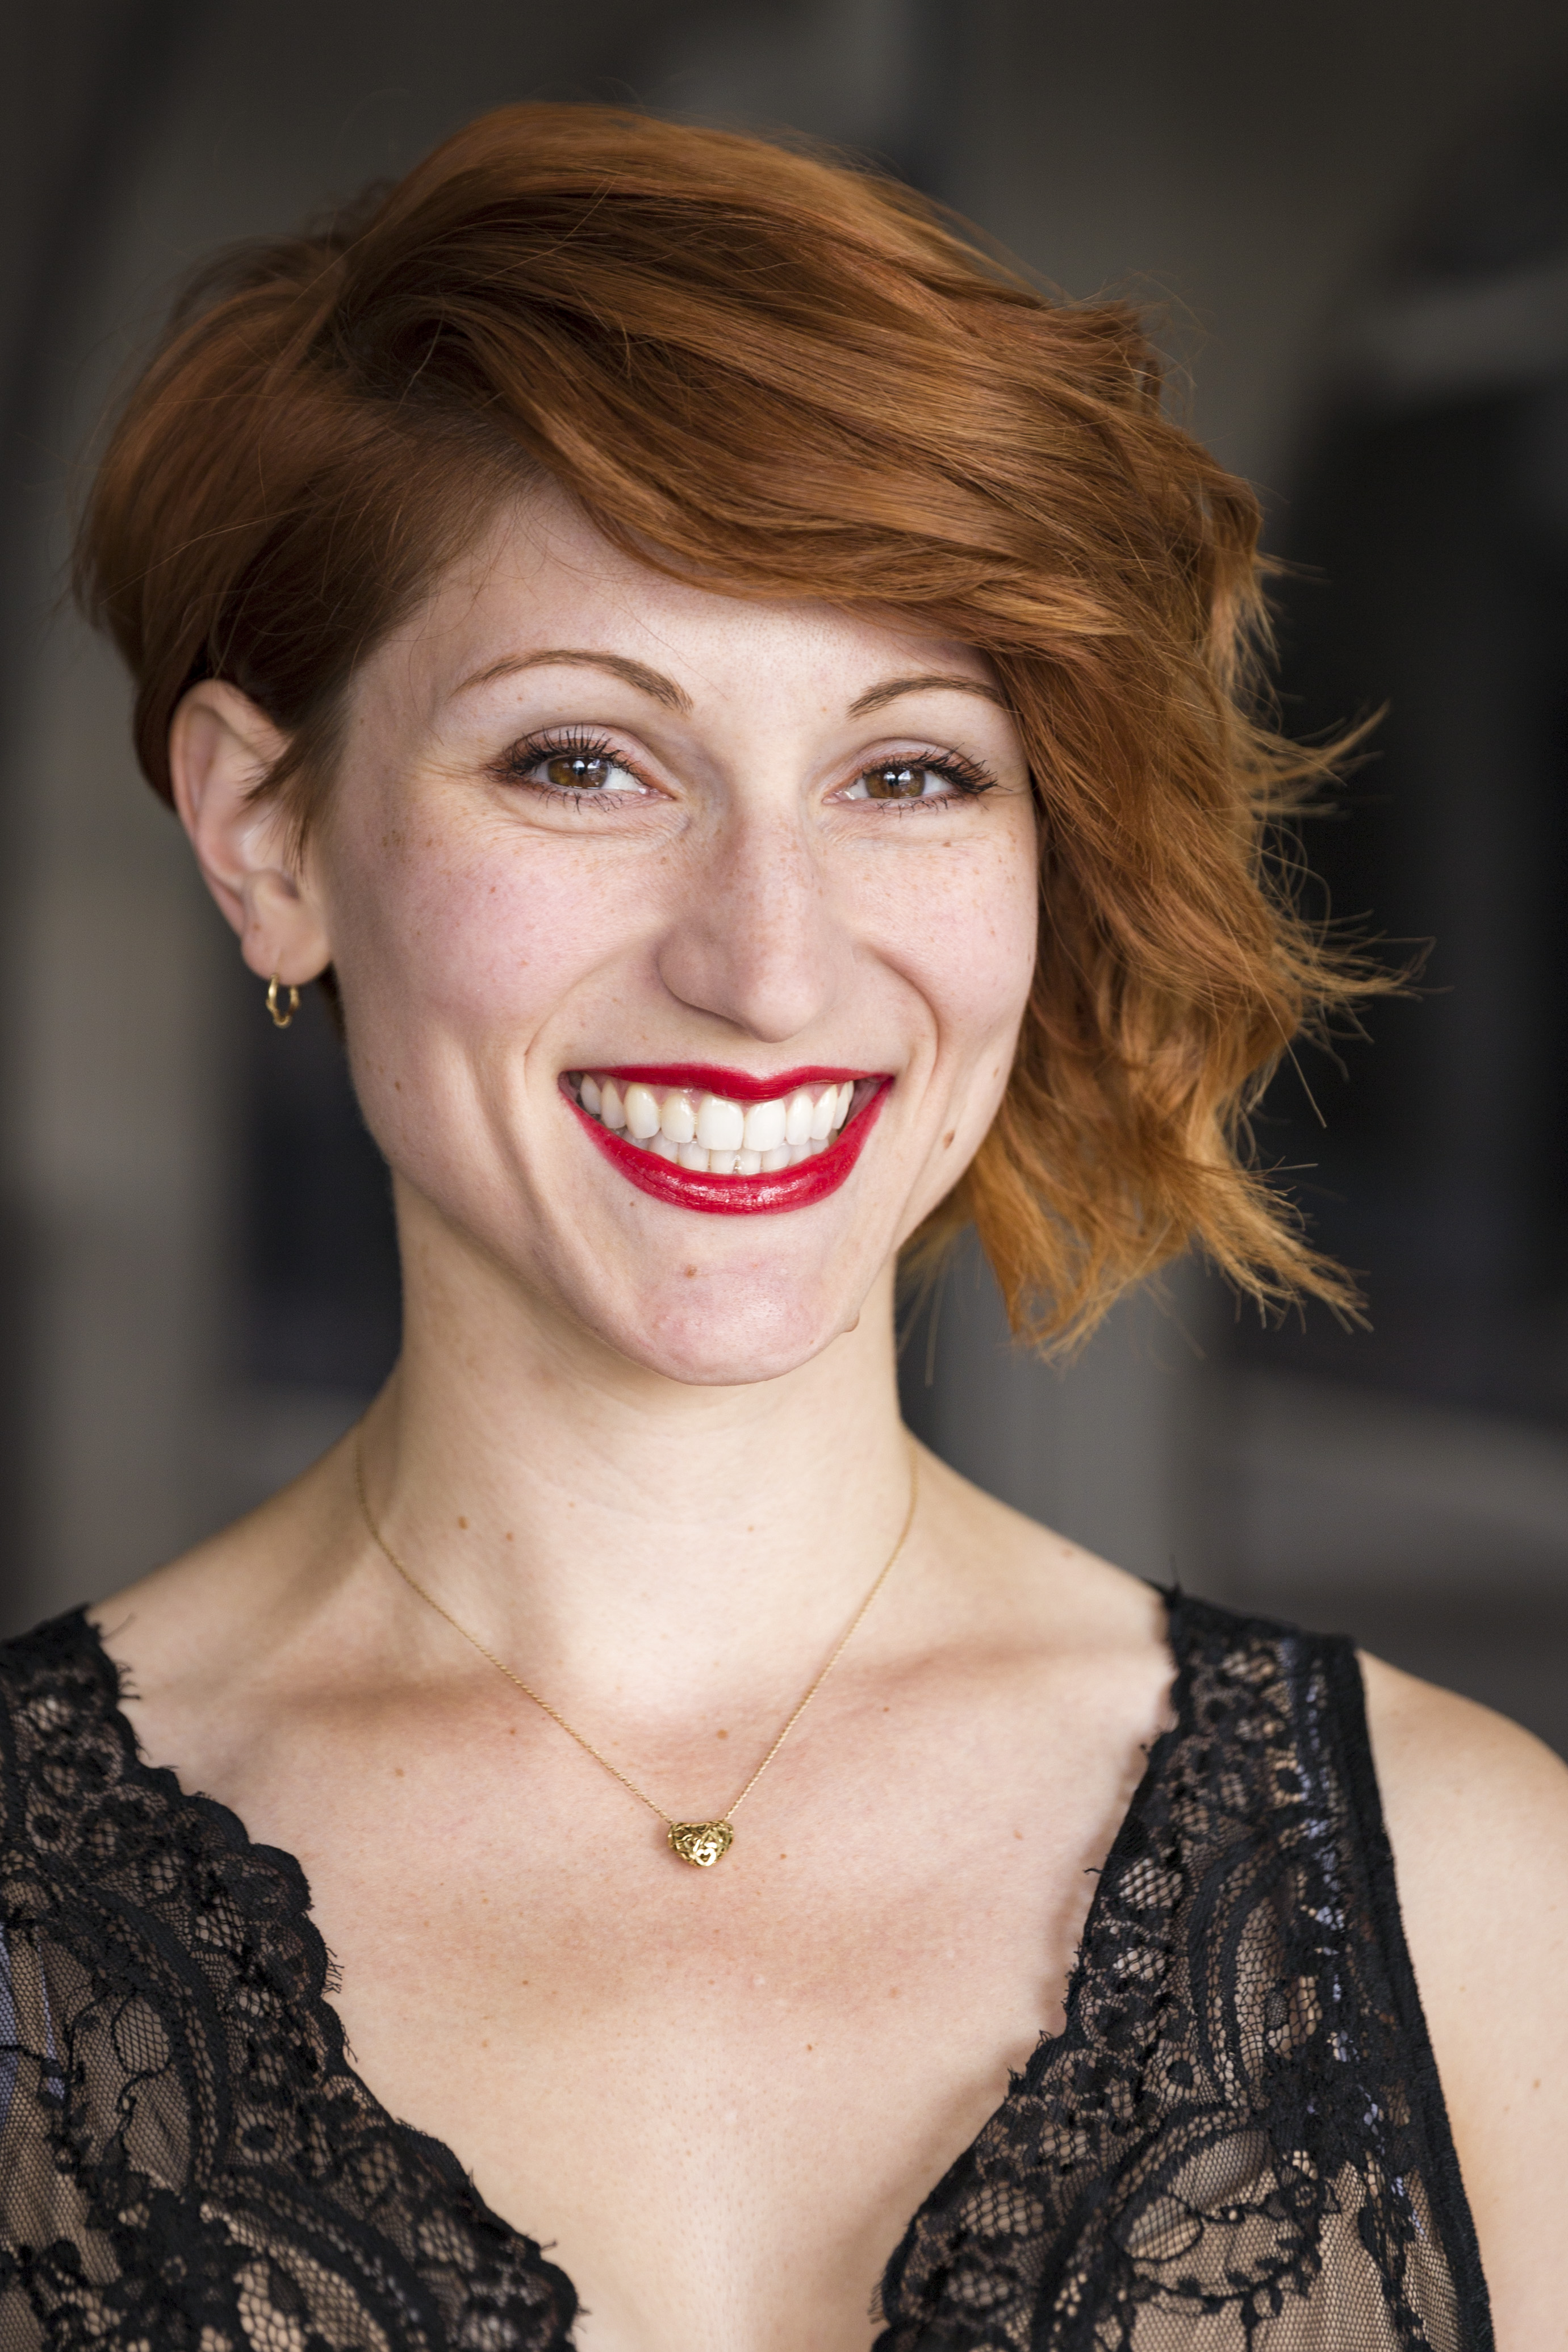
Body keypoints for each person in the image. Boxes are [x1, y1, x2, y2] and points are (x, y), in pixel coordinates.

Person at [0, 103, 1560, 2352]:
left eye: (908, 771)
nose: (766, 963)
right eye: (583, 761)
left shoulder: (1472, 1889)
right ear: (268, 830)